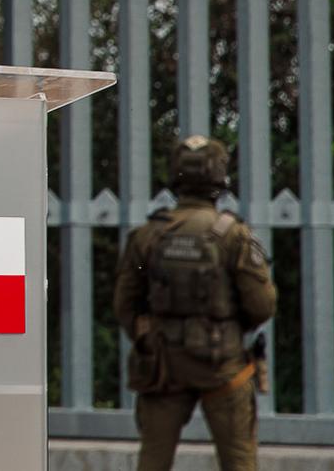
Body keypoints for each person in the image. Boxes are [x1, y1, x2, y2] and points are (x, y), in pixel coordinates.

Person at [115, 135, 276, 471]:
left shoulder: (148, 234)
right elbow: (262, 306)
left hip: (162, 365)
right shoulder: (234, 235)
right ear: (220, 177)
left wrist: (150, 336)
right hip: (223, 364)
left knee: (153, 460)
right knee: (239, 461)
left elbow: (125, 305)